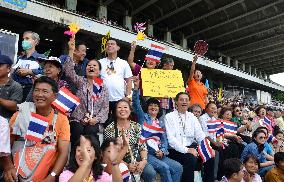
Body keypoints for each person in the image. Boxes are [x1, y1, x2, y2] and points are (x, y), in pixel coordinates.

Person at [2, 76, 70, 182]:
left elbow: (63, 153)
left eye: (45, 91)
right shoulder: (21, 113)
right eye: (36, 90)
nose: (39, 95)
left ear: (55, 96)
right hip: (16, 174)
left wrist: (52, 176)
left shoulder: (61, 119)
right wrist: (8, 167)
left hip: (46, 175)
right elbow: (4, 145)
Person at [132, 77, 183, 182]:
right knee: (164, 167)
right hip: (147, 153)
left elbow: (164, 140)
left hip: (159, 154)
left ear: (159, 109)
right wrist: (136, 89)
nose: (153, 107)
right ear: (147, 108)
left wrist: (163, 151)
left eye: (156, 105)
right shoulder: (143, 117)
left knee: (178, 167)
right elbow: (136, 104)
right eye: (151, 105)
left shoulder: (161, 123)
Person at [65, 36, 109, 147]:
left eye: (94, 66)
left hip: (94, 121)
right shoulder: (81, 81)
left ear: (99, 71)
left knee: (91, 131)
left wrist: (96, 119)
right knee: (77, 129)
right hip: (78, 118)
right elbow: (69, 72)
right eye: (89, 65)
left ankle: (93, 159)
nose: (91, 67)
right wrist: (71, 51)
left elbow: (105, 108)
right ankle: (74, 158)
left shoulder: (102, 87)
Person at [164, 92, 214, 182]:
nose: (184, 102)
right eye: (181, 100)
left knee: (210, 156)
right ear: (176, 102)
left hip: (191, 148)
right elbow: (171, 140)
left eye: (186, 100)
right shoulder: (169, 117)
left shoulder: (192, 116)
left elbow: (200, 135)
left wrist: (208, 148)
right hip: (175, 150)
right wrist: (187, 150)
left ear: (189, 103)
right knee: (191, 159)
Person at [104, 99, 156, 182]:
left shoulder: (136, 126)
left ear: (130, 110)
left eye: (125, 107)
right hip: (119, 159)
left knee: (150, 173)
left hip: (137, 157)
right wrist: (127, 165)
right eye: (119, 107)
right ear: (115, 111)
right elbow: (110, 153)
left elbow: (142, 146)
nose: (123, 110)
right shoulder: (109, 129)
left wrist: (144, 161)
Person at [99, 39, 132, 127]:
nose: (109, 45)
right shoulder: (100, 62)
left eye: (112, 44)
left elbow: (129, 80)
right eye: (107, 44)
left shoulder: (123, 63)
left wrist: (128, 96)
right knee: (104, 124)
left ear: (118, 47)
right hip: (103, 99)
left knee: (118, 124)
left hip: (119, 99)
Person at [12, 31, 45, 101]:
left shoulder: (41, 58)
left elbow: (45, 73)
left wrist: (30, 71)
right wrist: (17, 72)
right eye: (23, 39)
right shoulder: (19, 58)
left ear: (35, 42)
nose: (24, 41)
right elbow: (12, 74)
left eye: (27, 39)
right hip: (16, 89)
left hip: (31, 90)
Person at [0, 55, 23, 119]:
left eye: (0, 65)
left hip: (7, 123)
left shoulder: (16, 86)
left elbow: (15, 106)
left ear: (9, 69)